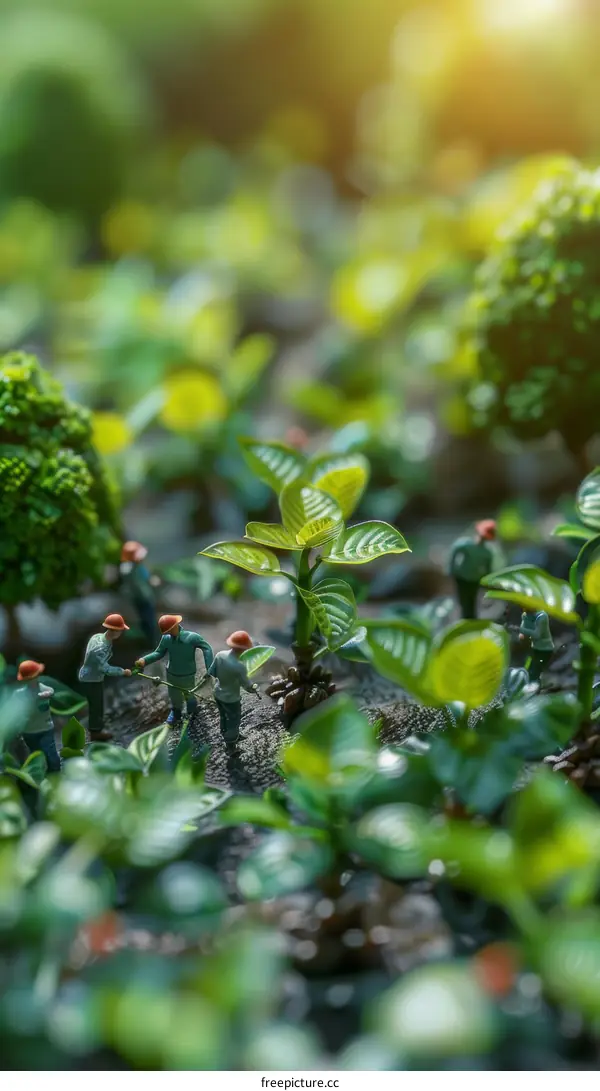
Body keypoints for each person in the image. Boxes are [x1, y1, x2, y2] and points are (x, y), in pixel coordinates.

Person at [136, 614, 213, 726]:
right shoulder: (166, 639)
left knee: (189, 694)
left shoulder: (191, 637)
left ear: (176, 625)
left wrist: (209, 667)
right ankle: (176, 712)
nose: (169, 633)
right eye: (167, 631)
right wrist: (144, 660)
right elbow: (159, 652)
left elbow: (207, 648)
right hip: (171, 674)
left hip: (187, 674)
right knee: (174, 696)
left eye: (170, 629)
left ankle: (192, 711)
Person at [78, 614, 132, 741]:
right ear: (114, 631)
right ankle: (95, 733)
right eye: (120, 630)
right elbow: (105, 668)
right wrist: (122, 672)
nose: (121, 633)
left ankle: (96, 729)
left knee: (97, 704)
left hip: (92, 675)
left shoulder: (98, 637)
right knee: (96, 706)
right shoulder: (100, 648)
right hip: (91, 678)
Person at [207, 630, 261, 744]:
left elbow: (212, 672)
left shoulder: (220, 655)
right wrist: (254, 688)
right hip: (231, 698)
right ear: (244, 649)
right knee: (234, 720)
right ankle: (231, 742)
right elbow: (247, 686)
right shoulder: (239, 666)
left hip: (218, 692)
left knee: (223, 716)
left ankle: (224, 732)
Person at [448, 519, 499, 620]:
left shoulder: (486, 552)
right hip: (462, 577)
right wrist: (452, 568)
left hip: (475, 579)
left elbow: (488, 569)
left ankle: (471, 620)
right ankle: (464, 619)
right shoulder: (466, 545)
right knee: (463, 601)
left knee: (472, 601)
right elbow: (455, 550)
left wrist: (488, 582)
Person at [16, 659, 61, 773]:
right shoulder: (20, 694)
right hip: (29, 731)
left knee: (51, 754)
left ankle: (55, 773)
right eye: (28, 679)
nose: (32, 681)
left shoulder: (44, 689)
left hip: (45, 728)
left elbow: (51, 691)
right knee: (35, 755)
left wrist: (47, 694)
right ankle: (39, 775)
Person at [119, 540, 160, 646]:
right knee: (149, 618)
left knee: (145, 618)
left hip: (138, 597)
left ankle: (149, 638)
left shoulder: (128, 567)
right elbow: (144, 581)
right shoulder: (134, 568)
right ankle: (153, 641)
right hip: (143, 596)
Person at [519, 607, 554, 683]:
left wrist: (520, 629)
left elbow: (537, 635)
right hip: (534, 648)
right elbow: (522, 632)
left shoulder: (542, 616)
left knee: (535, 672)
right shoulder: (525, 616)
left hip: (545, 650)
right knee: (529, 671)